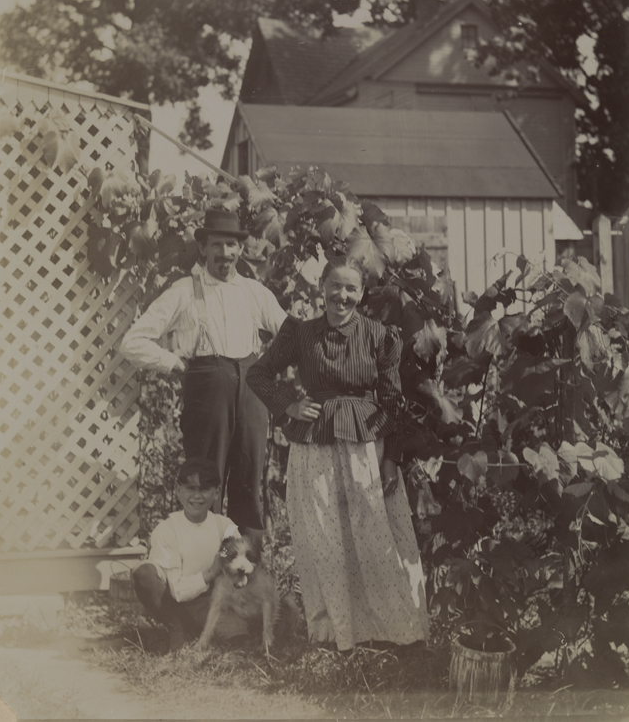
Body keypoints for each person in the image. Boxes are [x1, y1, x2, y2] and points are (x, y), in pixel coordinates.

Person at [247, 255, 430, 652]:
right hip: (314, 448)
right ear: (322, 288)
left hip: (367, 447)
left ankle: (394, 633)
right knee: (325, 540)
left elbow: (395, 402)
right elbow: (258, 374)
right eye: (335, 286)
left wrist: (391, 458)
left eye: (351, 288)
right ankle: (335, 635)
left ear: (362, 293)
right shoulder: (299, 333)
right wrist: (288, 405)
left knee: (376, 538)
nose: (341, 296)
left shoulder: (380, 336)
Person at [121, 209, 288, 533]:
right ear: (203, 248)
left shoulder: (254, 292)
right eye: (217, 245)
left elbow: (292, 336)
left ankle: (245, 572)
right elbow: (132, 342)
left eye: (230, 245)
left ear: (240, 249)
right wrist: (173, 363)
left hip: (252, 397)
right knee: (204, 484)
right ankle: (201, 571)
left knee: (249, 484)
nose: (224, 253)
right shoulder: (184, 290)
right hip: (207, 399)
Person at [132, 457, 248, 651]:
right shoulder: (167, 529)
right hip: (178, 604)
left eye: (204, 489)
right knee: (144, 572)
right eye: (190, 488)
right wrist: (211, 572)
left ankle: (201, 629)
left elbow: (232, 555)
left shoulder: (225, 527)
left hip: (213, 601)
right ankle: (176, 627)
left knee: (240, 637)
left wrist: (238, 573)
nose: (197, 496)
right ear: (178, 491)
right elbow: (177, 591)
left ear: (217, 492)